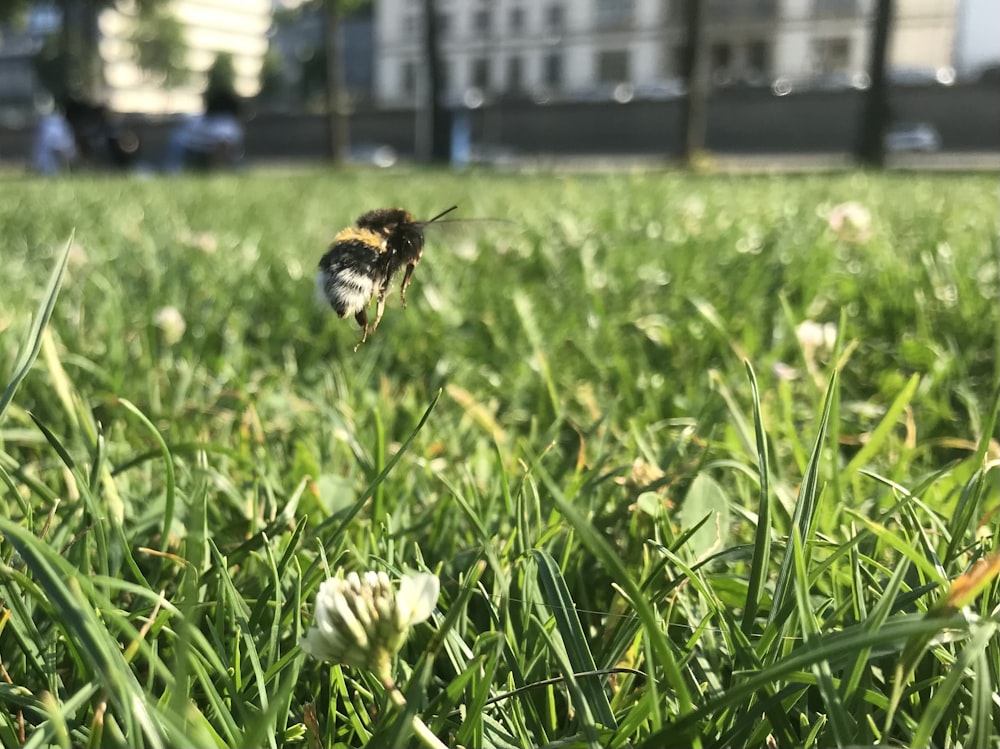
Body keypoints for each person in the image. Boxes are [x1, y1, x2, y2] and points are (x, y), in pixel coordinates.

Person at [163, 88, 244, 172]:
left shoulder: (220, 121)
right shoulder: (227, 122)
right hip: (190, 149)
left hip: (190, 147)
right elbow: (225, 142)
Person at [31, 103, 77, 174]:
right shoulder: (51, 123)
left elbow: (62, 143)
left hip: (55, 151)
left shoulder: (56, 123)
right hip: (48, 157)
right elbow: (55, 142)